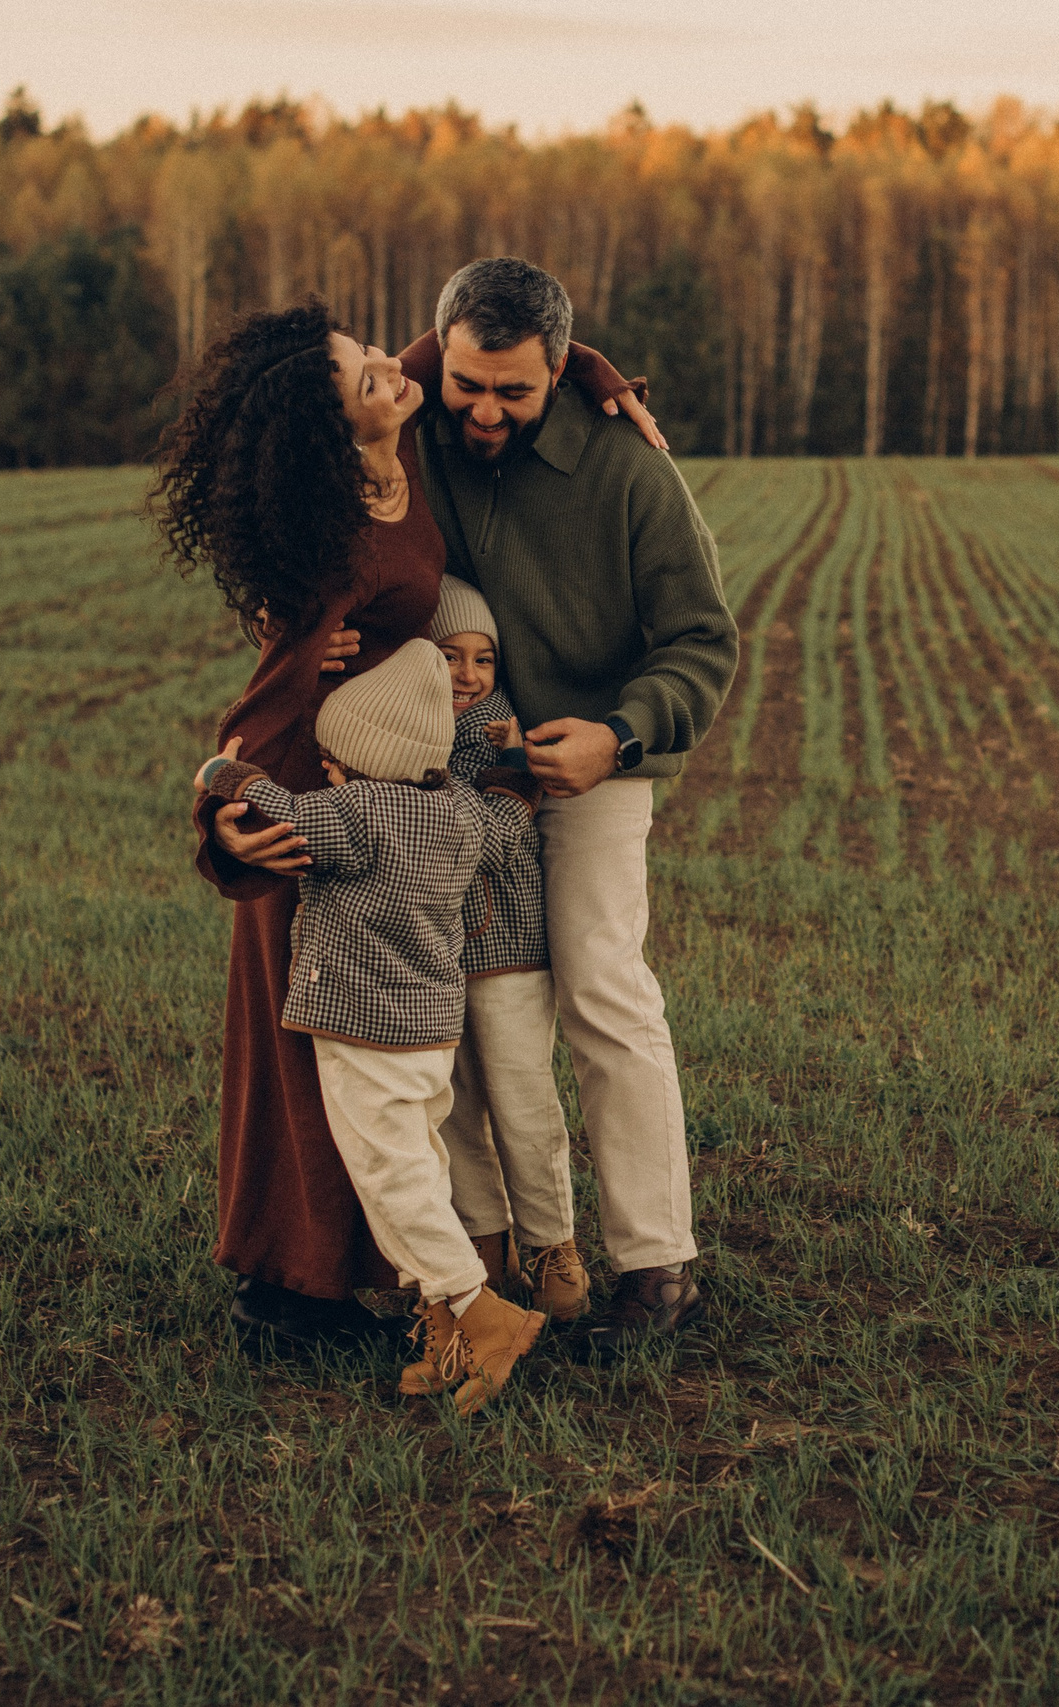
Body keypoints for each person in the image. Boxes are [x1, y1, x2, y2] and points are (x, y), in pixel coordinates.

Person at [148, 295, 655, 1350]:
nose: (391, 364)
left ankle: (370, 1278)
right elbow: (267, 700)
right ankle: (291, 1294)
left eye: (375, 353)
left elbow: (504, 352)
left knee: (371, 1043)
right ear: (344, 430)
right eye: (366, 375)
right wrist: (221, 824)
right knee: (321, 1053)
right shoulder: (333, 542)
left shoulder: (400, 426)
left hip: (389, 787)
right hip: (319, 806)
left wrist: (597, 374)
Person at [409, 257, 740, 1360]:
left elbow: (702, 641)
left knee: (601, 985)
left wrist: (619, 736)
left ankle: (656, 1272)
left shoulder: (631, 472)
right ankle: (486, 1259)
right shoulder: (419, 438)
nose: (486, 411)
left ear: (560, 368)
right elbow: (350, 395)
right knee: (444, 1005)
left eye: (515, 388)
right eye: (466, 383)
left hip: (596, 761)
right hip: (455, 770)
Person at [195, 640, 550, 1413]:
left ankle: (483, 1313)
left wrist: (221, 773)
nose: (323, 766)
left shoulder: (355, 813)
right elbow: (507, 825)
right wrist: (517, 779)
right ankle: (444, 1327)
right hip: (428, 1032)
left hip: (363, 1034)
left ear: (354, 759)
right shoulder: (457, 812)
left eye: (332, 755)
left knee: (392, 1181)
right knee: (421, 1162)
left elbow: (277, 808)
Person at [425, 575, 589, 1324]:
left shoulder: (499, 730)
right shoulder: (408, 720)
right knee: (454, 1103)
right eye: (449, 656)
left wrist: (511, 758)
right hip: (431, 943)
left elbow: (500, 815)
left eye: (483, 658)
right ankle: (484, 1242)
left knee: (522, 1095)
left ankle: (553, 1242)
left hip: (508, 940)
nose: (468, 675)